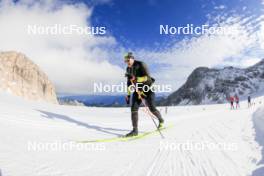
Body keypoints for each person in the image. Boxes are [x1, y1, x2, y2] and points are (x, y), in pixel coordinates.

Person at [124, 52, 164, 137]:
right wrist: (128, 95)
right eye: (125, 61)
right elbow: (129, 83)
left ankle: (161, 120)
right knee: (133, 109)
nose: (127, 62)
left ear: (132, 58)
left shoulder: (141, 64)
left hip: (148, 89)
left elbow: (148, 78)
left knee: (152, 108)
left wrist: (135, 78)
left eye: (128, 60)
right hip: (138, 91)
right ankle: (135, 130)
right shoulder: (128, 69)